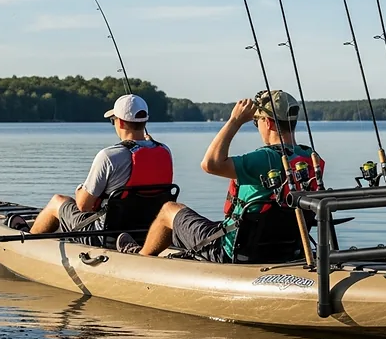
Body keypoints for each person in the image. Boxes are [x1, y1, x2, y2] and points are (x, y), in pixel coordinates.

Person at [116, 90, 323, 262]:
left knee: (169, 210)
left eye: (256, 121)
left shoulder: (261, 160)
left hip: (232, 251)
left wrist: (235, 120)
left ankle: (139, 258)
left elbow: (210, 163)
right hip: (285, 250)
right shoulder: (312, 159)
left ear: (267, 123)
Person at [29, 94, 173, 242]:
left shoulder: (109, 156)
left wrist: (80, 190)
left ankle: (28, 243)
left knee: (57, 201)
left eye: (113, 120)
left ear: (121, 123)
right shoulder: (165, 152)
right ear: (145, 121)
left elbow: (83, 206)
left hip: (105, 235)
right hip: (146, 231)